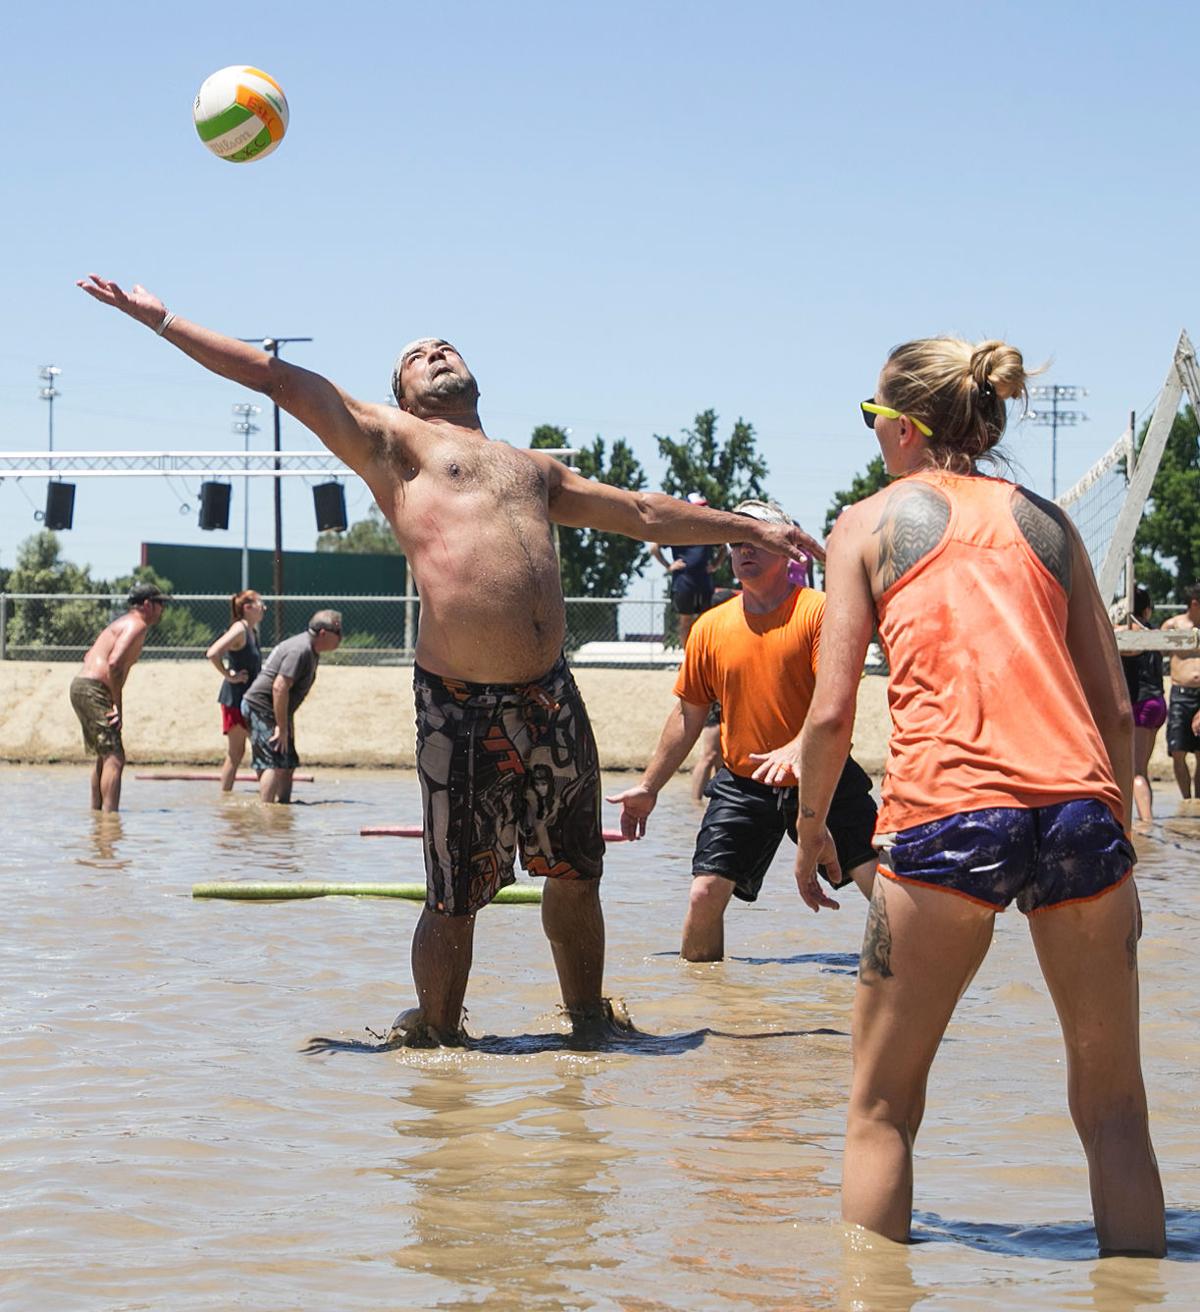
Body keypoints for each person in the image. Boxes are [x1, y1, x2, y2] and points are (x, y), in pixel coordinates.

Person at [78, 274, 822, 1047]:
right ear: (400, 393)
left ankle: (591, 1022)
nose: (435, 353)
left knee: (576, 873)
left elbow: (637, 512)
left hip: (551, 696)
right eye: (416, 355)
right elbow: (276, 377)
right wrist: (163, 320)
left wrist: (754, 528)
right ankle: (437, 1036)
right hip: (458, 702)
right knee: (454, 892)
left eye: (445, 346)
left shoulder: (531, 468)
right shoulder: (392, 443)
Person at [790, 337, 1165, 1257]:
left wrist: (808, 837)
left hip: (945, 811)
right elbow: (1115, 706)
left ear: (909, 427)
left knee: (880, 1108)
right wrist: (1111, 831)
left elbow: (832, 713)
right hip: (1078, 811)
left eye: (875, 419)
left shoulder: (865, 525)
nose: (874, 436)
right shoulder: (1050, 524)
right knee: (1116, 1110)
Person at [609, 500, 877, 962]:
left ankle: (915, 987)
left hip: (823, 773)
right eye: (736, 542)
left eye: (756, 539)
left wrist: (799, 747)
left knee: (885, 885)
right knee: (704, 895)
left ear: (787, 548)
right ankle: (706, 1005)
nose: (743, 550)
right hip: (743, 782)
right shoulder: (710, 627)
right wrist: (649, 786)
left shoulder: (820, 612)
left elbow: (837, 700)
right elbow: (688, 714)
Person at [69, 582, 167, 812]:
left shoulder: (120, 623)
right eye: (160, 603)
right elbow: (114, 663)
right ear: (147, 605)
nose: (163, 609)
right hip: (94, 689)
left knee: (105, 756)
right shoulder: (137, 624)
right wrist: (116, 704)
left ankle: (98, 816)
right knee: (115, 758)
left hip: (82, 686)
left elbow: (90, 656)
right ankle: (109, 822)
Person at [240, 610, 342, 803]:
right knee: (272, 761)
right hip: (260, 707)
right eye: (338, 633)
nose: (341, 638)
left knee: (287, 762)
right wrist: (281, 727)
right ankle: (268, 814)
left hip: (276, 711)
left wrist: (287, 724)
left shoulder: (311, 650)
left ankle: (283, 809)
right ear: (323, 633)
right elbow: (279, 687)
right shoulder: (300, 650)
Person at [1112, 587, 1166, 821]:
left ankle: (1146, 825)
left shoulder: (1126, 633)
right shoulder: (1154, 631)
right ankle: (1146, 818)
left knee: (1135, 772)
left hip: (1141, 704)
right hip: (1157, 702)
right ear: (1146, 609)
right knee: (1142, 768)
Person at [206, 589, 265, 792]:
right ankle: (226, 797)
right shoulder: (239, 629)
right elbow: (213, 653)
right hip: (235, 699)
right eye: (260, 604)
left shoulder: (252, 631)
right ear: (247, 608)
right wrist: (229, 675)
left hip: (250, 699)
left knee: (258, 749)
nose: (264, 608)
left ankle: (267, 793)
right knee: (237, 753)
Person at [688, 585, 739, 803]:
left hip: (728, 703)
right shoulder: (710, 631)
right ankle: (695, 803)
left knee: (722, 757)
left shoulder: (728, 630)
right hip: (713, 703)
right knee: (709, 755)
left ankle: (717, 800)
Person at [650, 493, 718, 644]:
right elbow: (654, 548)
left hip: (704, 581)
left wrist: (715, 565)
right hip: (684, 581)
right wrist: (669, 566)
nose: (702, 510)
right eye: (698, 507)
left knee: (706, 621)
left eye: (703, 506)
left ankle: (703, 659)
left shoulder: (709, 529)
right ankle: (688, 657)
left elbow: (725, 549)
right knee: (685, 621)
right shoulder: (677, 529)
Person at [1162, 583, 1200, 798]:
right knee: (1178, 751)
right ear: (1194, 604)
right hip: (1180, 693)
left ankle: (1198, 801)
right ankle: (1186, 799)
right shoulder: (1173, 625)